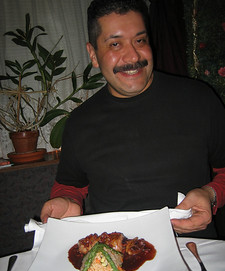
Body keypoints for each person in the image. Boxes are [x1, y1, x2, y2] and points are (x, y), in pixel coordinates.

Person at [41, 0, 225, 238]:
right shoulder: (79, 122)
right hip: (113, 257)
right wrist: (66, 201)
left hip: (193, 252)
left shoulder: (200, 99)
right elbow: (70, 186)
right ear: (93, 55)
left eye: (140, 40)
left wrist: (211, 195)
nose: (132, 55)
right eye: (115, 44)